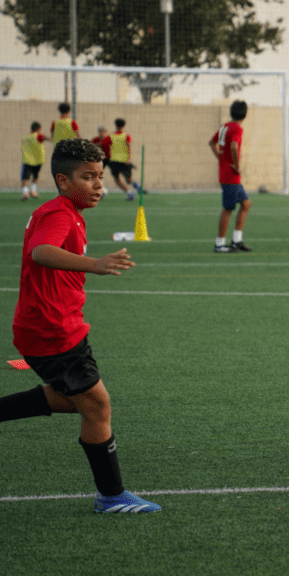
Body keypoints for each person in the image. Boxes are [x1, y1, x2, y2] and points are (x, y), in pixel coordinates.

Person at [0, 138, 161, 514]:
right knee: (97, 406)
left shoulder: (65, 211)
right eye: (88, 177)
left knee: (76, 399)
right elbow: (41, 252)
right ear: (62, 180)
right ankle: (111, 495)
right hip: (53, 331)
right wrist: (95, 264)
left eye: (100, 177)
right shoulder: (58, 214)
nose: (99, 186)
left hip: (52, 326)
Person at [209, 100, 252, 253]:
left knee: (246, 204)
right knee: (228, 209)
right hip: (230, 175)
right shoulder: (237, 129)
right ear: (245, 114)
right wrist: (236, 165)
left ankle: (237, 240)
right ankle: (219, 244)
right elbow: (234, 146)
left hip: (226, 173)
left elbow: (211, 143)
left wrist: (220, 158)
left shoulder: (224, 127)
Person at [102, 118, 142, 201]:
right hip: (125, 160)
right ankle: (137, 188)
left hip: (114, 161)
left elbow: (102, 144)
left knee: (117, 180)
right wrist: (130, 158)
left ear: (115, 125)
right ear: (124, 125)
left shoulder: (111, 136)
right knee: (129, 179)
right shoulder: (126, 136)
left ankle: (130, 193)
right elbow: (129, 147)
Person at [20, 121, 48, 201]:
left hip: (27, 160)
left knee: (25, 177)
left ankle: (25, 193)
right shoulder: (39, 136)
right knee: (35, 176)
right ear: (39, 129)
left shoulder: (26, 137)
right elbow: (46, 138)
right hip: (38, 160)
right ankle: (32, 191)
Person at [91, 125, 110, 198]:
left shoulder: (109, 139)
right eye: (101, 131)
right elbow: (91, 146)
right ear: (99, 132)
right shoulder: (95, 140)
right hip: (100, 159)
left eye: (104, 131)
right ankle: (99, 189)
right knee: (97, 174)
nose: (103, 133)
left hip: (110, 159)